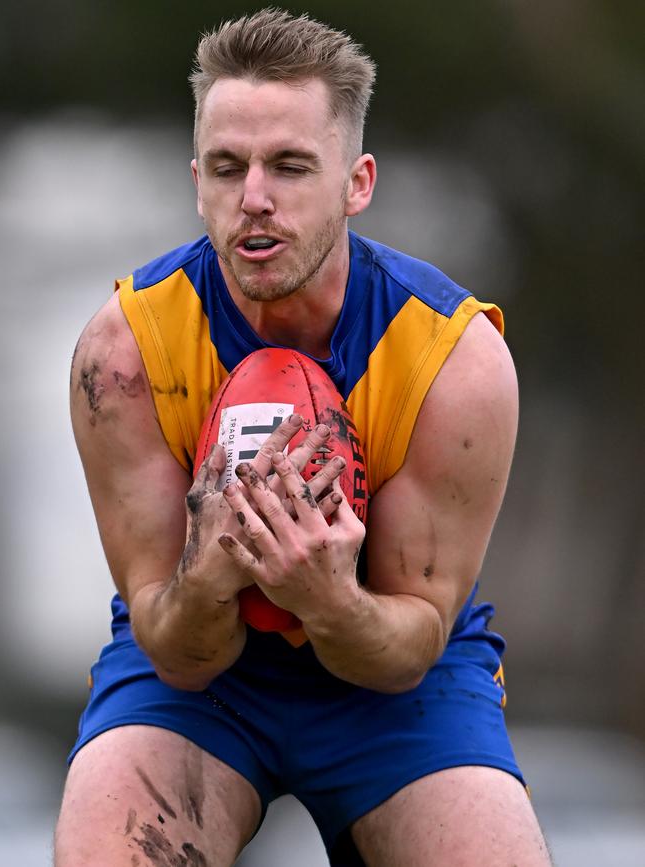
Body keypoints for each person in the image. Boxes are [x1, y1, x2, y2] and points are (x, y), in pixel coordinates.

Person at [55, 8, 551, 866]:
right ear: (198, 180)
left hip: (393, 675)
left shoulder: (452, 359)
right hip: (203, 682)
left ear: (357, 182)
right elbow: (168, 641)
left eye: (289, 166)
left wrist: (328, 598)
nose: (254, 198)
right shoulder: (126, 351)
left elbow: (413, 643)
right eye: (227, 167)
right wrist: (209, 577)